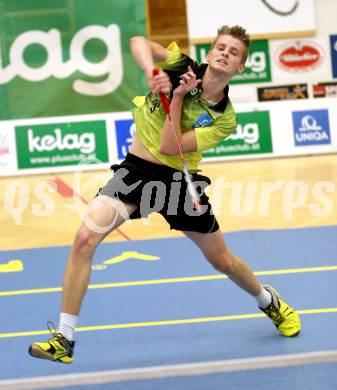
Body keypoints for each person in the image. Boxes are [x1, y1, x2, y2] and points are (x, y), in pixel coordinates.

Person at [28, 25, 301, 364]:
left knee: (222, 261)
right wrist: (152, 73)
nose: (224, 53)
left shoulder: (224, 118)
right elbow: (138, 41)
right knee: (85, 238)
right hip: (136, 174)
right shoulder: (182, 67)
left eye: (233, 52)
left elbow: (169, 146)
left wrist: (177, 98)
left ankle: (267, 300)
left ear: (241, 67)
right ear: (210, 51)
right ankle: (65, 339)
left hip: (178, 184)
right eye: (220, 46)